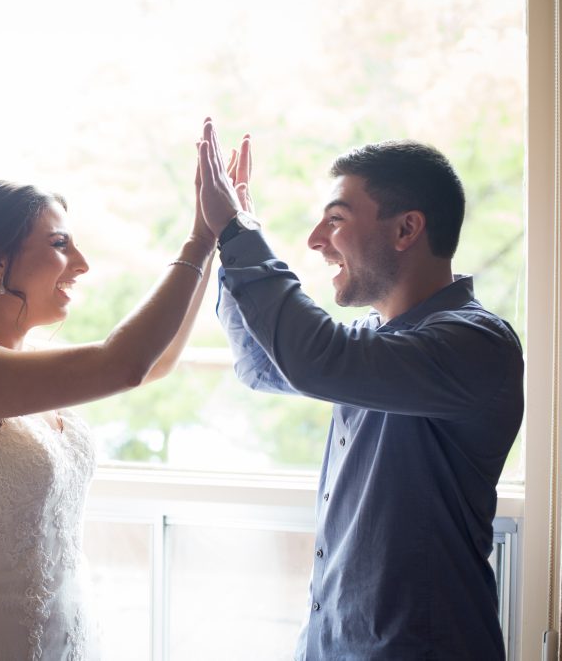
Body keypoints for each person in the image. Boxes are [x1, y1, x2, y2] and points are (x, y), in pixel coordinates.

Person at [197, 119, 524, 659]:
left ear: (406, 230)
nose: (315, 241)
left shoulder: (475, 345)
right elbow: (260, 364)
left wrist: (237, 233)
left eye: (336, 220)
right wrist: (232, 237)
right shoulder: (375, 342)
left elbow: (318, 359)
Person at [0, 173, 235, 659]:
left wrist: (211, 243)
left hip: (70, 639)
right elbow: (123, 363)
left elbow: (154, 363)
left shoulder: (25, 367)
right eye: (60, 244)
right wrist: (197, 238)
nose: (81, 265)